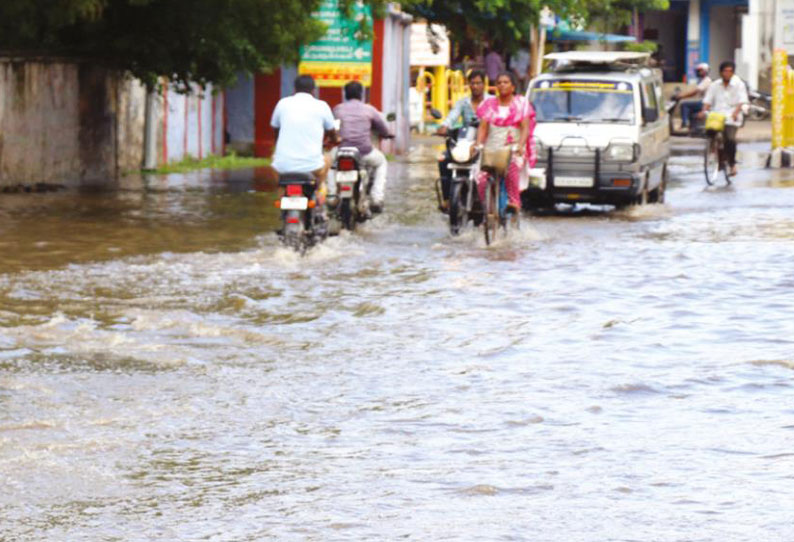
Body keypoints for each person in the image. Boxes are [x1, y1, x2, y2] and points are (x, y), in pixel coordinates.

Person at [475, 71, 536, 213]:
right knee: (481, 178)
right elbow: (483, 127)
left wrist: (520, 146)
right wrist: (478, 144)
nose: (502, 85)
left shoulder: (521, 104)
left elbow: (525, 128)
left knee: (511, 169)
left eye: (506, 82)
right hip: (491, 149)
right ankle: (486, 208)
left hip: (513, 149)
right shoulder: (488, 104)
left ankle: (513, 202)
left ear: (513, 87)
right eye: (499, 82)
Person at [331, 81, 393, 213]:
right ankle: (376, 198)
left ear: (346, 94)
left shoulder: (338, 109)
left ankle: (331, 195)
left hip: (342, 151)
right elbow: (383, 129)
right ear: (361, 94)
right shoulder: (369, 109)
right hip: (364, 152)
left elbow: (332, 129)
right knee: (382, 162)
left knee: (329, 164)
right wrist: (388, 134)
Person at [270, 75, 336, 189]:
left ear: (294, 89)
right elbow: (331, 131)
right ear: (313, 91)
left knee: (275, 164)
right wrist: (335, 139)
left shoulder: (282, 103)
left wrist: (277, 146)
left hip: (283, 166)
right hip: (313, 167)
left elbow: (275, 128)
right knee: (328, 159)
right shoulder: (322, 106)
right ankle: (320, 188)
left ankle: (282, 195)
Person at [435, 70, 487, 211]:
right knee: (444, 158)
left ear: (484, 84)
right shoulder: (463, 103)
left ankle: (492, 198)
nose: (475, 86)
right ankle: (447, 198)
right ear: (469, 85)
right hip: (466, 142)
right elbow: (452, 116)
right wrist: (444, 127)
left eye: (478, 83)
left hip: (486, 143)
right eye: (473, 83)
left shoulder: (491, 102)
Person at [701, 60, 748, 176]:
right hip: (717, 115)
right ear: (721, 72)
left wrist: (735, 113)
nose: (727, 73)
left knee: (730, 139)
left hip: (732, 116)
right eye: (725, 71)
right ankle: (714, 151)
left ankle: (732, 164)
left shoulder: (739, 84)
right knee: (709, 131)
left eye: (730, 71)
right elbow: (707, 100)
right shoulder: (714, 85)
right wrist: (703, 111)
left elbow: (742, 101)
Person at [678, 62, 712, 127]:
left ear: (705, 71)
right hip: (703, 101)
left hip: (705, 103)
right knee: (690, 108)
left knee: (684, 105)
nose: (698, 72)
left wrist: (681, 96)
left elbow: (694, 92)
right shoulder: (702, 80)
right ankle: (692, 127)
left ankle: (685, 123)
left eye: (700, 71)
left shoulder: (707, 80)